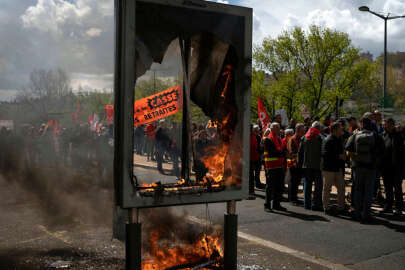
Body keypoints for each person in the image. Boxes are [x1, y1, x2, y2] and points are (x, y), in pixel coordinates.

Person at [345, 117, 384, 223]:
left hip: (358, 167)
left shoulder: (355, 135)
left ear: (361, 124)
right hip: (371, 168)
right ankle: (366, 214)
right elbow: (382, 151)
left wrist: (356, 158)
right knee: (368, 191)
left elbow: (347, 148)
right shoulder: (376, 136)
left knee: (358, 190)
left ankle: (357, 213)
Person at [381, 118, 404, 215]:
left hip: (397, 167)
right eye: (383, 124)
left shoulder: (399, 135)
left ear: (391, 125)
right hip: (386, 167)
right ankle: (388, 206)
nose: (383, 126)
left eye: (385, 124)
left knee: (397, 188)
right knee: (387, 188)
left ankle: (399, 208)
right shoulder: (383, 135)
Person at [298, 121, 323, 211]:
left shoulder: (304, 137)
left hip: (306, 165)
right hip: (317, 166)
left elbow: (300, 153)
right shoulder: (320, 138)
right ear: (319, 129)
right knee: (318, 186)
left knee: (307, 185)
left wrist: (299, 165)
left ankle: (306, 204)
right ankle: (315, 204)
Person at [322, 122, 346, 215]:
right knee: (327, 188)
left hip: (337, 168)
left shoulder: (338, 139)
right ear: (335, 130)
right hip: (329, 168)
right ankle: (326, 207)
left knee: (341, 187)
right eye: (340, 128)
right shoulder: (328, 140)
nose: (342, 130)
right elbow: (325, 154)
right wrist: (339, 156)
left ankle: (341, 207)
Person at [263, 122, 287, 212]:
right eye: (276, 128)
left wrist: (283, 155)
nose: (278, 129)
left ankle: (276, 204)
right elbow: (272, 152)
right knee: (270, 187)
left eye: (278, 127)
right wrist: (283, 154)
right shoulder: (268, 139)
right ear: (271, 129)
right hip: (271, 166)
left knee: (279, 186)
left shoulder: (278, 138)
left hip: (279, 166)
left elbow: (282, 149)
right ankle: (267, 205)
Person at [287, 123, 305, 205]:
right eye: (302, 131)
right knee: (293, 181)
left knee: (296, 182)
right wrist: (296, 163)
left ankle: (294, 197)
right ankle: (292, 199)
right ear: (297, 131)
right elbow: (292, 153)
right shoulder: (293, 139)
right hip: (293, 164)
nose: (303, 133)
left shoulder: (300, 139)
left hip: (298, 164)